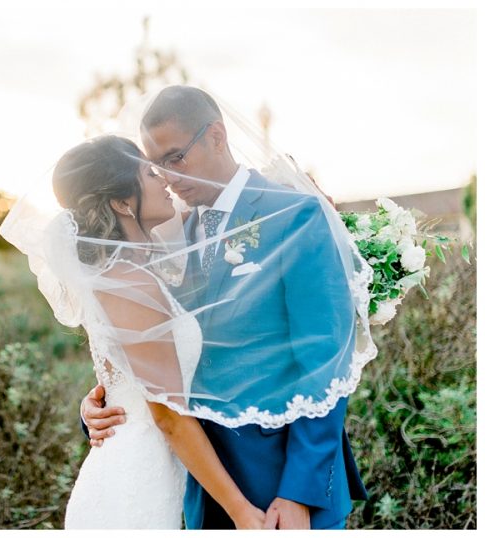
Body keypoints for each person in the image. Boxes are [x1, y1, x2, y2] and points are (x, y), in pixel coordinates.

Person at [81, 86, 369, 529]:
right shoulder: (167, 237)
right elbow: (150, 351)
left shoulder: (294, 215)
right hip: (204, 493)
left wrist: (299, 493)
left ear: (217, 136)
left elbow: (325, 361)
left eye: (176, 158)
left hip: (283, 494)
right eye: (156, 166)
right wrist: (104, 404)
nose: (168, 177)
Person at [2, 135, 265, 529]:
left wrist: (94, 403)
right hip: (135, 489)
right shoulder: (128, 282)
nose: (163, 178)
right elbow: (168, 417)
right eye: (148, 171)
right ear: (123, 203)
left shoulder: (140, 272)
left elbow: (129, 378)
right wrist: (245, 515)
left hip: (156, 473)